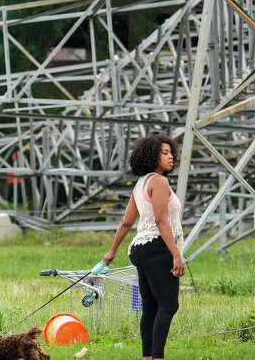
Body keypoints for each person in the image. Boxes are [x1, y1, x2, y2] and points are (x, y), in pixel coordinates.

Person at [103, 133, 185, 360]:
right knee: (168, 305)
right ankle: (157, 356)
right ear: (152, 156)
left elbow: (127, 222)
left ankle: (147, 357)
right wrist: (176, 254)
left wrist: (113, 250)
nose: (171, 158)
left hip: (139, 249)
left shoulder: (141, 184)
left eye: (171, 153)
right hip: (157, 247)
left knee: (150, 306)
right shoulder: (159, 181)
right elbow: (161, 220)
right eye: (165, 153)